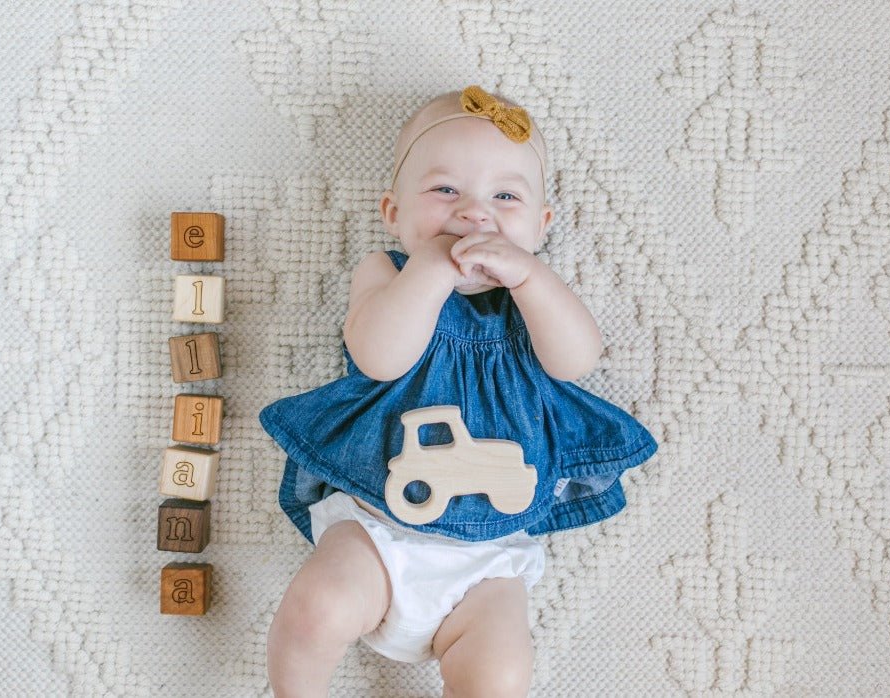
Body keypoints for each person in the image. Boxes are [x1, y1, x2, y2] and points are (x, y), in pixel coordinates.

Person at [259, 85, 658, 697]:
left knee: (500, 673)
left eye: (505, 196)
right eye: (445, 190)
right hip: (375, 527)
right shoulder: (385, 273)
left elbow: (576, 360)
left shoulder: (529, 298)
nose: (475, 214)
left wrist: (531, 278)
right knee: (317, 607)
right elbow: (380, 356)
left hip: (490, 561)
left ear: (541, 224)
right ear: (393, 212)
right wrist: (432, 268)